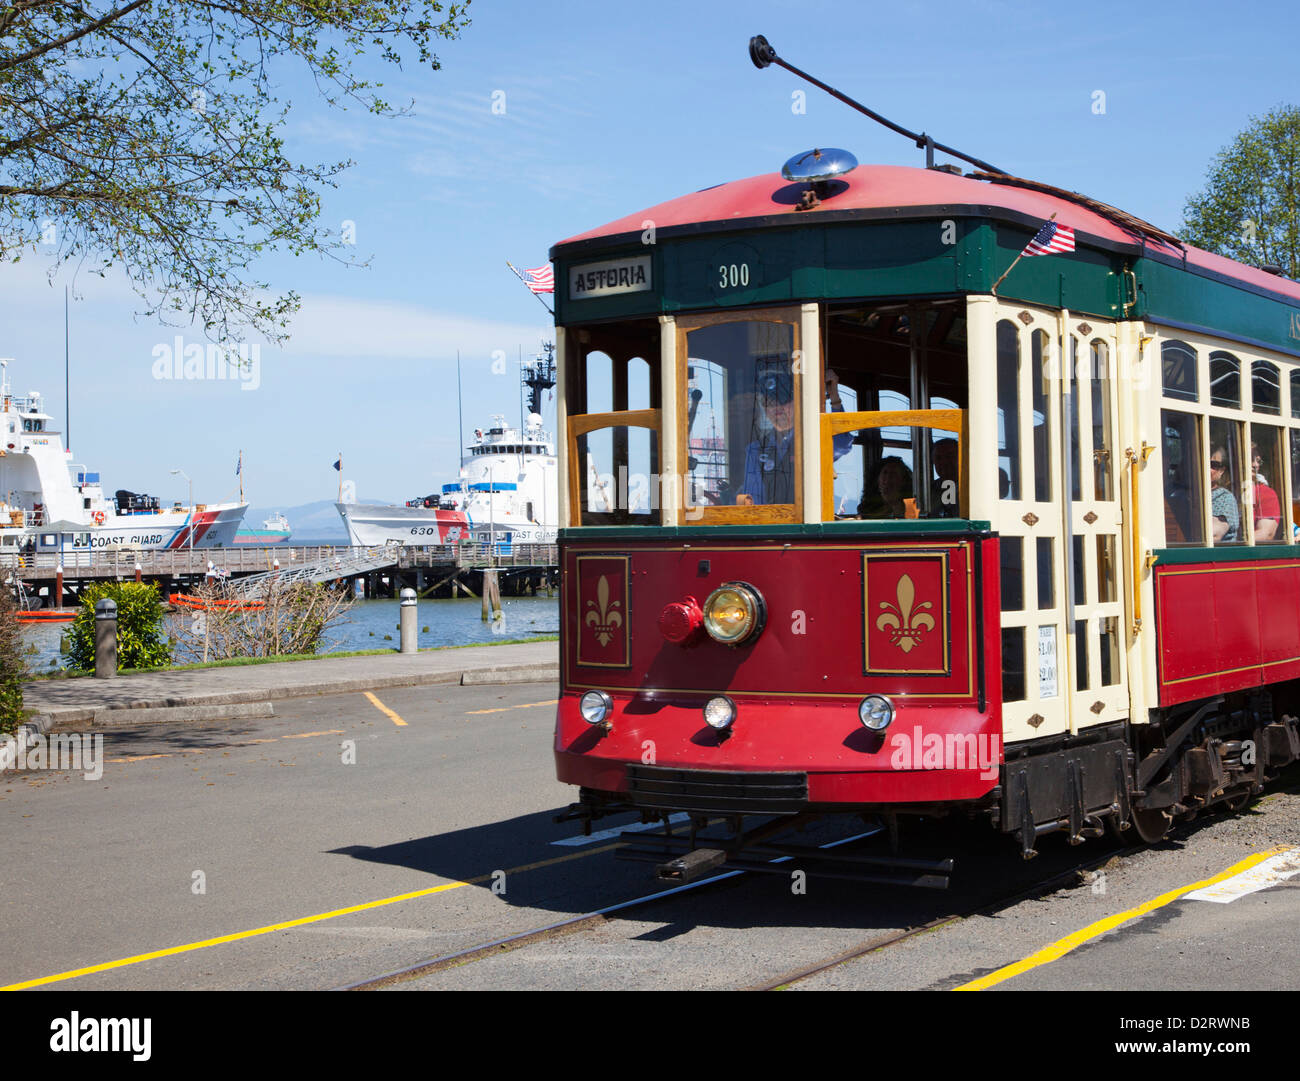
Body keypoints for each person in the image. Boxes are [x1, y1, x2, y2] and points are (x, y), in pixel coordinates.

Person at [736, 367, 853, 506]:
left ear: (798, 403)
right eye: (769, 403)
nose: (776, 408)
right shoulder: (755, 450)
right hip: (771, 525)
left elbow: (842, 443)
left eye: (783, 400)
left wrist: (834, 398)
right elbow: (754, 500)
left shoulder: (814, 442)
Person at [1250, 442, 1281, 541]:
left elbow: (1266, 534)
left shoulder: (1265, 493)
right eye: (1250, 459)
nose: (1255, 465)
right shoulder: (1226, 490)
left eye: (1258, 461)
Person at [1209, 445, 1240, 542]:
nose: (1206, 468)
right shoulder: (1183, 494)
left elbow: (1213, 535)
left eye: (1212, 465)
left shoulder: (1224, 497)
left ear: (1221, 471)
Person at [930, 438, 960, 515]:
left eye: (949, 456)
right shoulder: (929, 491)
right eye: (938, 458)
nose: (944, 462)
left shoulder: (975, 489)